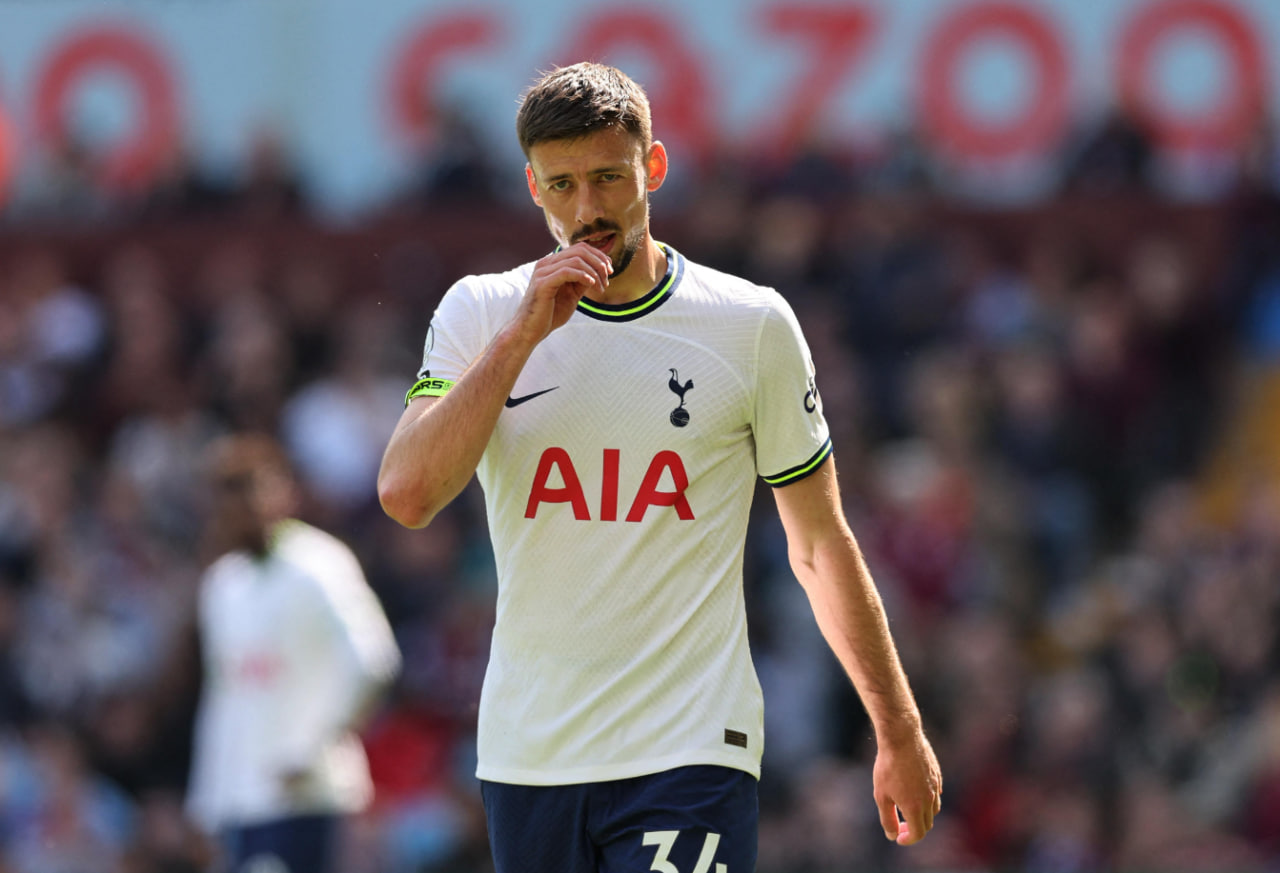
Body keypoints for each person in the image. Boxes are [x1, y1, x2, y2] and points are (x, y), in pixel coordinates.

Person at [378, 62, 941, 872]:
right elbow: (407, 494)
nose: (588, 209)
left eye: (609, 177)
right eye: (563, 184)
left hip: (690, 744)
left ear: (654, 168)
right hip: (532, 751)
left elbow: (819, 544)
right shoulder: (481, 311)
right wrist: (523, 336)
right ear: (531, 185)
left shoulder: (749, 325)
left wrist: (899, 728)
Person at [188, 433, 401, 873]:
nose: (240, 509)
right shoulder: (224, 584)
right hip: (242, 802)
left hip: (309, 796)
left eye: (251, 491)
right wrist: (207, 800)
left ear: (281, 490)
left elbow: (373, 660)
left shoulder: (318, 564)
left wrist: (309, 749)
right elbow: (224, 694)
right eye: (229, 496)